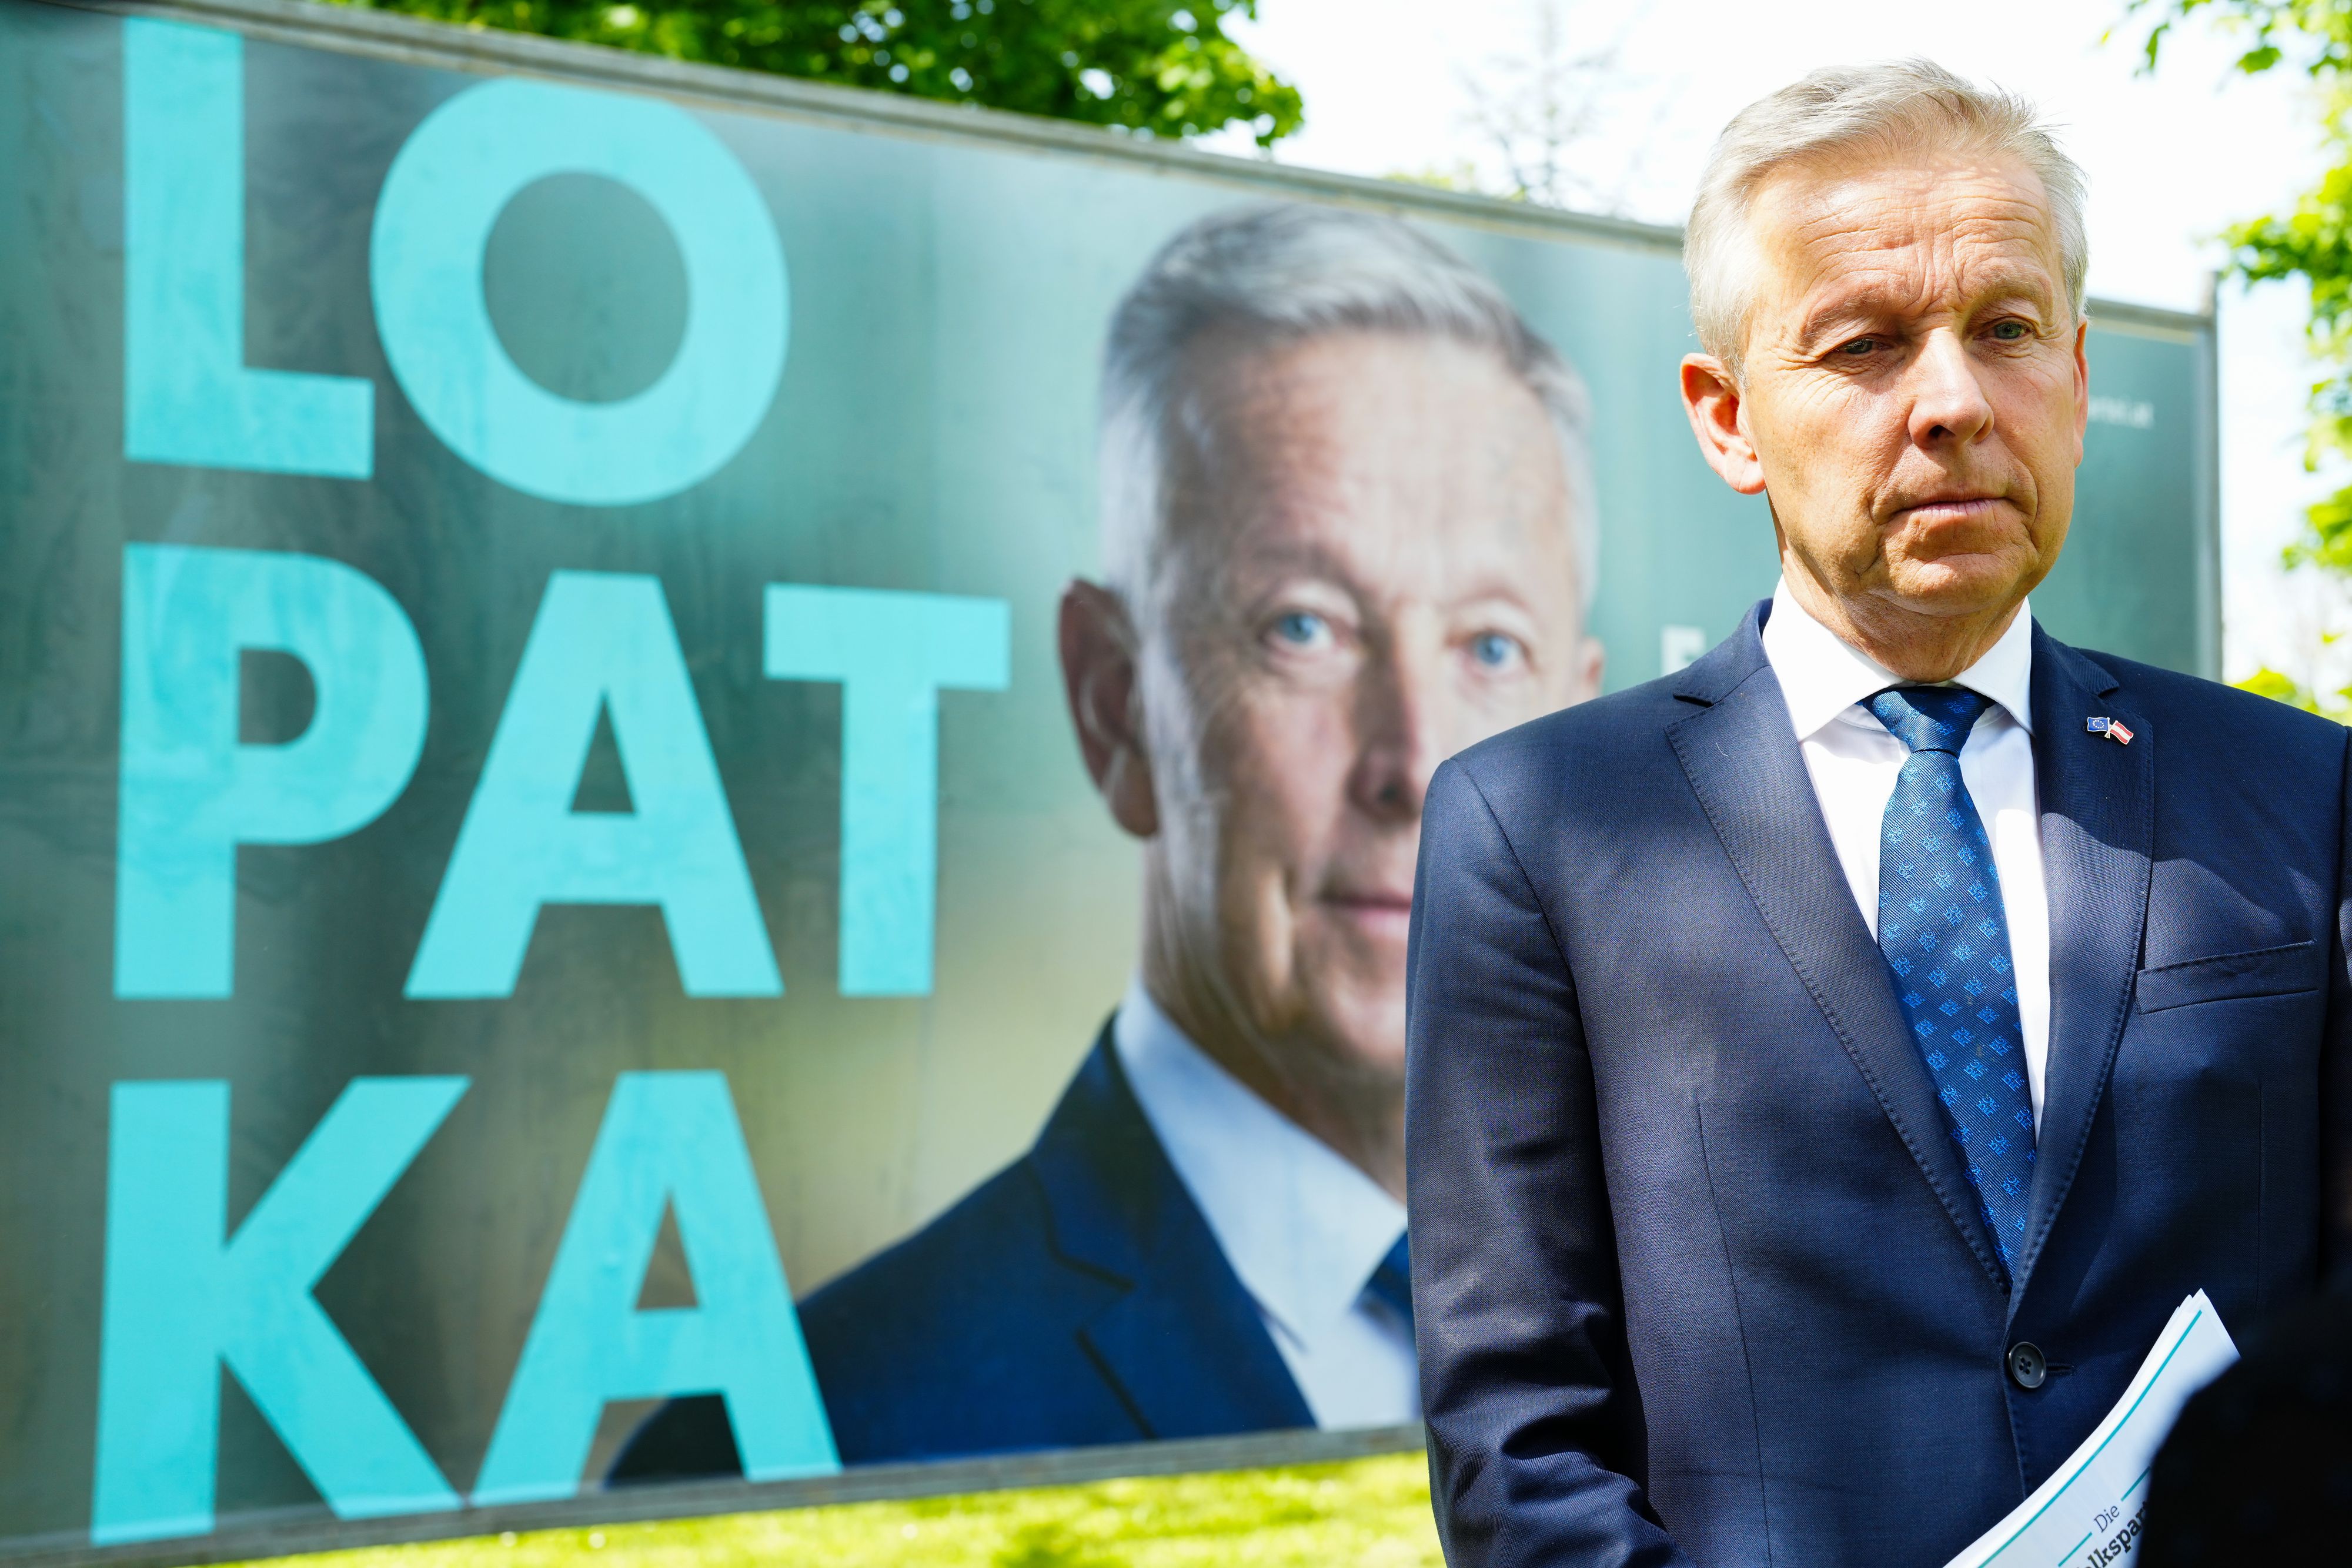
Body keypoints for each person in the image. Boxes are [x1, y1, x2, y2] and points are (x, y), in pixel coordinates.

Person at [1406, 59, 2352, 1568]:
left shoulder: (2302, 793)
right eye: (1862, 344)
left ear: (2079, 378)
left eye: (2005, 330)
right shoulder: (1539, 832)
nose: (1955, 403)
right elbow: (1519, 1434)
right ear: (1725, 418)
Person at [611, 203, 1604, 1477]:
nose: (1414, 764)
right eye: (1301, 627)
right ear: (1112, 701)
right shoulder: (803, 1447)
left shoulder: (1715, 1320)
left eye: (1487, 646)